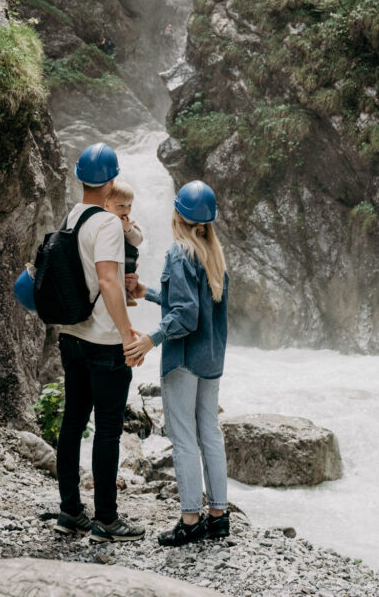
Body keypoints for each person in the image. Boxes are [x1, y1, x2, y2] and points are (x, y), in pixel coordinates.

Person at [125, 180, 229, 547]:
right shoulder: (213, 254)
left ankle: (190, 520)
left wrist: (150, 339)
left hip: (184, 360)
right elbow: (191, 304)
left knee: (183, 438)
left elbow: (186, 315)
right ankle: (218, 516)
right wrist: (147, 292)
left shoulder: (179, 253)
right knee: (210, 436)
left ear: (178, 215)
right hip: (211, 359)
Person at [54, 142, 145, 543]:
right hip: (104, 341)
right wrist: (128, 334)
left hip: (72, 334)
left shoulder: (73, 216)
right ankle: (106, 520)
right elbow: (108, 280)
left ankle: (70, 510)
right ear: (111, 181)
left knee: (73, 421)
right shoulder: (109, 223)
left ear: (80, 179)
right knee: (107, 429)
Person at [105, 178, 143, 307]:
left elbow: (138, 240)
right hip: (109, 259)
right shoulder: (103, 220)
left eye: (129, 205)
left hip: (126, 257)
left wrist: (127, 229)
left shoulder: (130, 222)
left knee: (129, 266)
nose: (126, 210)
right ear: (106, 205)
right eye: (121, 205)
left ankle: (126, 293)